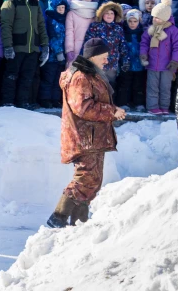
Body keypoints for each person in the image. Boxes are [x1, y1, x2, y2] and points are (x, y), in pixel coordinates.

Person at [47, 38, 126, 228]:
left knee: (93, 180)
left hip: (92, 136)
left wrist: (112, 109)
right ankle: (57, 218)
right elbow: (83, 107)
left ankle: (79, 222)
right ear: (94, 56)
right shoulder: (81, 76)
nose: (106, 61)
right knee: (86, 178)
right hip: (84, 137)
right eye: (104, 57)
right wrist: (112, 111)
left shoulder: (91, 74)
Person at [0, 0, 49, 109]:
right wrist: (8, 46)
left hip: (32, 48)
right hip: (17, 47)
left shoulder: (35, 3)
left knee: (27, 77)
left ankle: (23, 102)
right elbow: (6, 26)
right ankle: (8, 102)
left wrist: (44, 45)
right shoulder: (11, 3)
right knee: (11, 75)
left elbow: (41, 25)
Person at [139, 0, 178, 115]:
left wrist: (175, 61)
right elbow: (144, 43)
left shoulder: (173, 31)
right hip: (152, 64)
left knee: (165, 88)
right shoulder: (151, 29)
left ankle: (164, 106)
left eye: (157, 17)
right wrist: (143, 54)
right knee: (152, 87)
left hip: (167, 65)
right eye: (153, 17)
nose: (154, 19)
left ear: (164, 18)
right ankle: (152, 106)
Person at [84, 1, 130, 88]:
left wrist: (125, 61)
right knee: (97, 85)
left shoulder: (118, 28)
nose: (109, 15)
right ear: (101, 14)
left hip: (112, 63)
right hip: (97, 63)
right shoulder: (95, 26)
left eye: (112, 13)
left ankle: (109, 101)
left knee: (110, 85)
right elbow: (88, 44)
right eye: (106, 13)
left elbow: (123, 46)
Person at [39, 0, 69, 108]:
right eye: (59, 8)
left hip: (61, 56)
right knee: (48, 78)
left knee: (58, 79)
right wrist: (58, 52)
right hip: (52, 56)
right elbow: (52, 37)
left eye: (63, 8)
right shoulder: (51, 20)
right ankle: (45, 98)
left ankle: (55, 99)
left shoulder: (64, 20)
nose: (61, 10)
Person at [116, 9, 146, 112]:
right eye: (130, 21)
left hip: (139, 64)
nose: (132, 24)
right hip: (126, 64)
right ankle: (123, 102)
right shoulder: (122, 33)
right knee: (125, 84)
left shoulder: (142, 33)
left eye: (135, 21)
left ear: (139, 21)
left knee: (138, 84)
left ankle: (139, 103)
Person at [65, 0, 100, 64]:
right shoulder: (72, 14)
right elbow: (69, 33)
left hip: (91, 50)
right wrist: (69, 49)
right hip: (75, 51)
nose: (87, 1)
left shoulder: (95, 14)